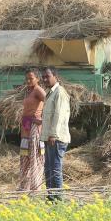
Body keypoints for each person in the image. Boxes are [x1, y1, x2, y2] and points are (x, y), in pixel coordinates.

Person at [40, 67, 71, 201]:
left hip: (56, 138)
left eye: (48, 76)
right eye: (44, 77)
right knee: (49, 168)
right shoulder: (50, 93)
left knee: (55, 169)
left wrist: (53, 134)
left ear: (56, 76)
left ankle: (58, 198)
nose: (45, 79)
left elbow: (59, 115)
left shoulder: (60, 93)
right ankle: (51, 197)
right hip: (49, 137)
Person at [18, 69, 46, 191]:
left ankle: (36, 188)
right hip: (26, 127)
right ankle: (25, 186)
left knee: (35, 157)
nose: (28, 81)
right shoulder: (29, 91)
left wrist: (42, 119)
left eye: (31, 78)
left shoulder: (38, 90)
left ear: (38, 79)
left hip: (34, 128)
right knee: (25, 157)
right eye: (27, 79)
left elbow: (50, 102)